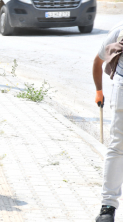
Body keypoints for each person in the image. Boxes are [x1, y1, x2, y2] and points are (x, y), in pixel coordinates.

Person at [93, 21, 123, 222]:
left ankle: (107, 207)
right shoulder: (120, 30)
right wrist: (99, 92)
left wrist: (99, 91)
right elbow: (98, 62)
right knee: (117, 148)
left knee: (117, 148)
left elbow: (97, 62)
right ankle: (107, 207)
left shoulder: (120, 29)